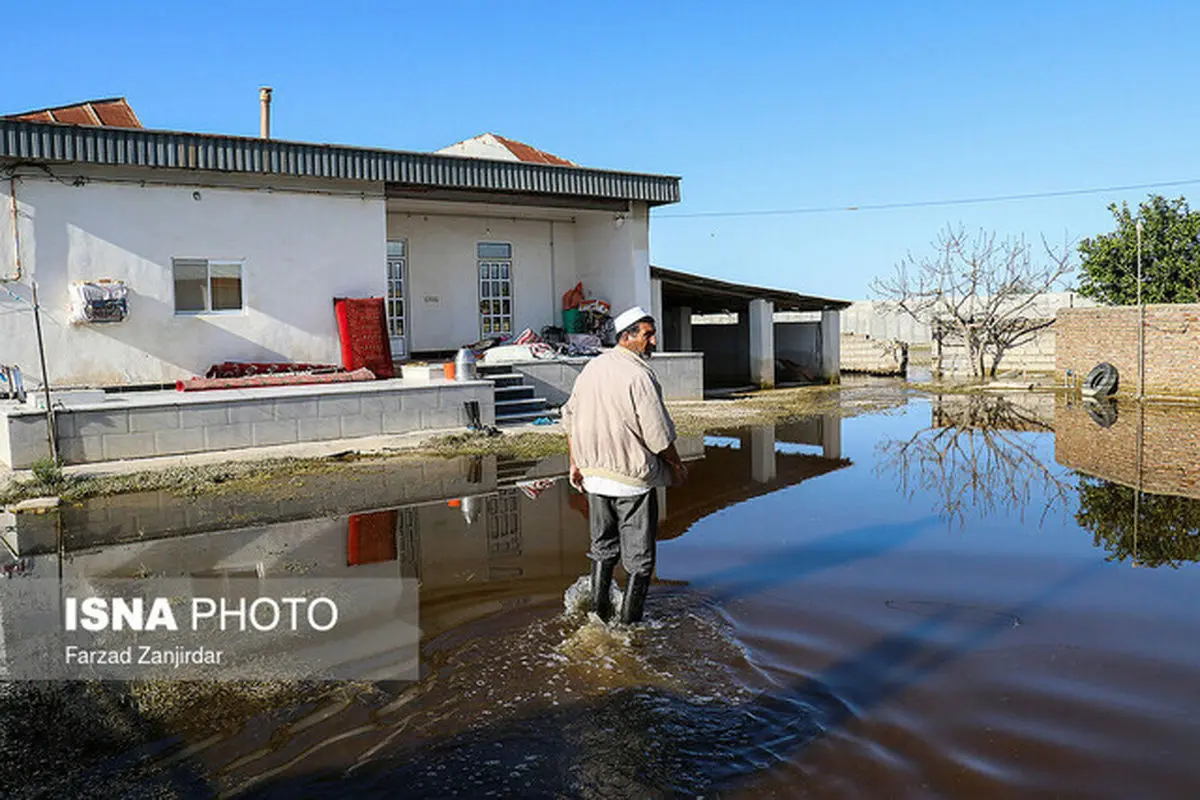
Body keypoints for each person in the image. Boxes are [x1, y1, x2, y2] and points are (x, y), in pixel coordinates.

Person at [561, 306, 688, 624]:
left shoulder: (591, 368)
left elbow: (569, 419)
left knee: (602, 548)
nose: (654, 340)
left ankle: (597, 617)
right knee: (640, 561)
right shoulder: (639, 375)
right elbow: (657, 435)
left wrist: (575, 464)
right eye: (648, 334)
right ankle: (630, 629)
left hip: (594, 479)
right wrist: (677, 465)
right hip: (632, 481)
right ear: (628, 336)